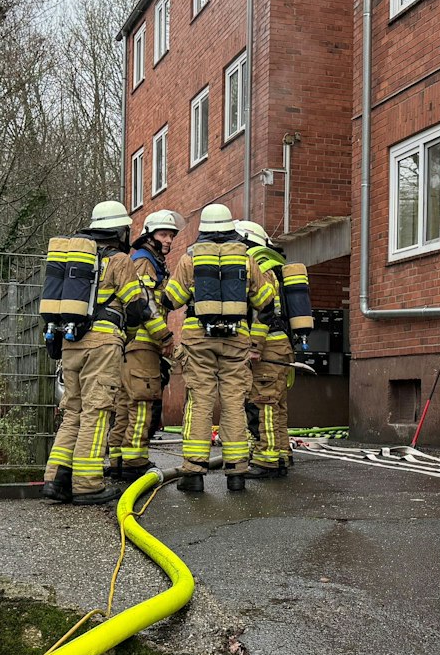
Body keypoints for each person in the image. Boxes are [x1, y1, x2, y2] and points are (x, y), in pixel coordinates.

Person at [162, 203, 273, 493]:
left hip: (198, 337)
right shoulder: (247, 260)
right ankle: (236, 473)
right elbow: (265, 301)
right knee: (234, 402)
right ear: (229, 230)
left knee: (200, 401)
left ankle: (194, 473)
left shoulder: (190, 259)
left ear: (204, 230)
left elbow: (171, 299)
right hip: (237, 339)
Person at [43, 201, 138, 504]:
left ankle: (55, 479)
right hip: (102, 343)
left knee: (73, 412)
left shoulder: (77, 261)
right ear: (121, 230)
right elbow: (135, 306)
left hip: (71, 341)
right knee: (97, 412)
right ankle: (87, 484)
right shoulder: (120, 260)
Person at [108, 209, 181, 480]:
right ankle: (135, 461)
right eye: (164, 234)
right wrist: (165, 337)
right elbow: (145, 303)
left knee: (126, 402)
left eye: (172, 235)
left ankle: (117, 460)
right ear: (149, 235)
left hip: (135, 343)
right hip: (143, 342)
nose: (169, 240)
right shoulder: (144, 262)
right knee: (142, 401)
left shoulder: (150, 261)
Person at [236, 220, 298, 480]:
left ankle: (267, 460)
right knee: (278, 405)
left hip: (267, 347)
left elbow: (264, 314)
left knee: (264, 404)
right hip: (280, 345)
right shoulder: (275, 266)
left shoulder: (258, 266)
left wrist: (253, 346)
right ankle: (281, 455)